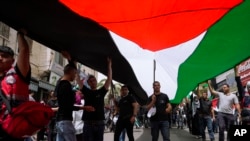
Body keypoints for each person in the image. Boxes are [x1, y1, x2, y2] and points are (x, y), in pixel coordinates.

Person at [0, 29, 31, 141]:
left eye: (4, 56)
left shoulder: (18, 74)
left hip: (12, 131)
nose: (0, 58)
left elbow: (24, 50)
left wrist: (20, 34)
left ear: (13, 60)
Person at [55, 63, 95, 141]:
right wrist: (84, 108)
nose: (75, 75)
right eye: (75, 73)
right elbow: (68, 106)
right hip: (66, 122)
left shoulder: (59, 84)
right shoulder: (66, 86)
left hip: (59, 121)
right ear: (72, 72)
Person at [76, 57, 112, 141]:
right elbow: (77, 79)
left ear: (96, 81)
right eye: (91, 81)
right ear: (88, 83)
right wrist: (74, 64)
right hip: (88, 124)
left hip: (100, 124)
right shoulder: (86, 91)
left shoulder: (101, 92)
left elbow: (109, 79)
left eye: (94, 80)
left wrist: (109, 65)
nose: (93, 82)